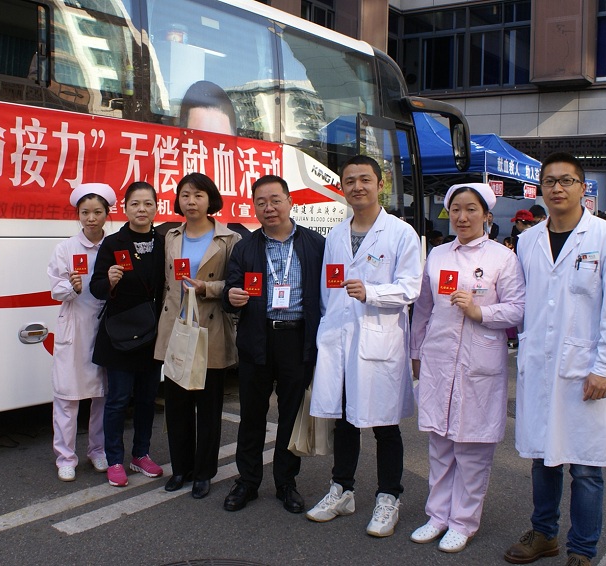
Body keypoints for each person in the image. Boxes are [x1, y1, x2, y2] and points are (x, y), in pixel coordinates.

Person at [504, 152, 606, 566]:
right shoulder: (527, 242)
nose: (557, 188)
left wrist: (605, 366)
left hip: (587, 370)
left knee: (585, 468)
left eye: (566, 181)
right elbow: (520, 302)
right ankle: (544, 533)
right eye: (550, 181)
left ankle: (582, 549)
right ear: (541, 189)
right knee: (542, 458)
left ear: (583, 188)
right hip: (540, 366)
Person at [307, 155, 422, 538]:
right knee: (343, 420)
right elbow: (328, 289)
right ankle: (342, 490)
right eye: (350, 181)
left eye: (365, 180)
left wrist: (371, 292)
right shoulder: (336, 235)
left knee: (385, 425)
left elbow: (410, 287)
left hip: (379, 342)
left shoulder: (400, 233)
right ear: (342, 187)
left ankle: (389, 497)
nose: (357, 186)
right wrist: (326, 333)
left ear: (379, 184)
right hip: (339, 340)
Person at [409, 183, 525, 553]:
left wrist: (480, 312)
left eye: (471, 209)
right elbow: (423, 309)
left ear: (487, 215)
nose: (462, 217)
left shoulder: (502, 258)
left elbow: (518, 308)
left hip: (479, 363)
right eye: (456, 209)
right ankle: (437, 515)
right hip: (439, 360)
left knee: (472, 449)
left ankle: (463, 521)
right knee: (440, 444)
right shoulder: (438, 255)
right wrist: (416, 350)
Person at [221, 175, 325, 514]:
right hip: (257, 337)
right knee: (252, 414)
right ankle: (248, 481)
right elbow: (230, 289)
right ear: (254, 206)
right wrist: (231, 296)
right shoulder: (245, 247)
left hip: (297, 338)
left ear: (290, 202)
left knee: (291, 414)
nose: (269, 208)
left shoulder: (315, 244)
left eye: (275, 200)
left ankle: (286, 482)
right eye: (261, 202)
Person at [154, 172, 240, 499]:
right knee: (176, 406)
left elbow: (235, 284)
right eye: (185, 195)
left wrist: (208, 287)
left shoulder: (229, 239)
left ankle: (204, 472)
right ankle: (181, 469)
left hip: (210, 328)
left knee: (208, 409)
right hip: (176, 329)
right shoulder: (170, 236)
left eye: (198, 195)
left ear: (210, 200)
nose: (191, 201)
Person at [90, 182, 166, 487]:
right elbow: (96, 289)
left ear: (156, 208)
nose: (142, 209)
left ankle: (141, 454)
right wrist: (108, 280)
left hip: (152, 335)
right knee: (118, 400)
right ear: (125, 208)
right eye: (135, 204)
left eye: (148, 204)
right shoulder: (113, 243)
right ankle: (114, 460)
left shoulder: (164, 243)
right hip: (120, 336)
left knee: (147, 399)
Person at [47, 182, 116, 482]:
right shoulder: (65, 249)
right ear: (78, 215)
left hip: (105, 327)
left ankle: (97, 450)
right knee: (67, 395)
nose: (91, 218)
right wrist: (71, 287)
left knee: (102, 394)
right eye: (85, 212)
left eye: (97, 212)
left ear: (107, 214)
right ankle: (65, 457)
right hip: (74, 327)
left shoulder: (113, 246)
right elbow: (55, 288)